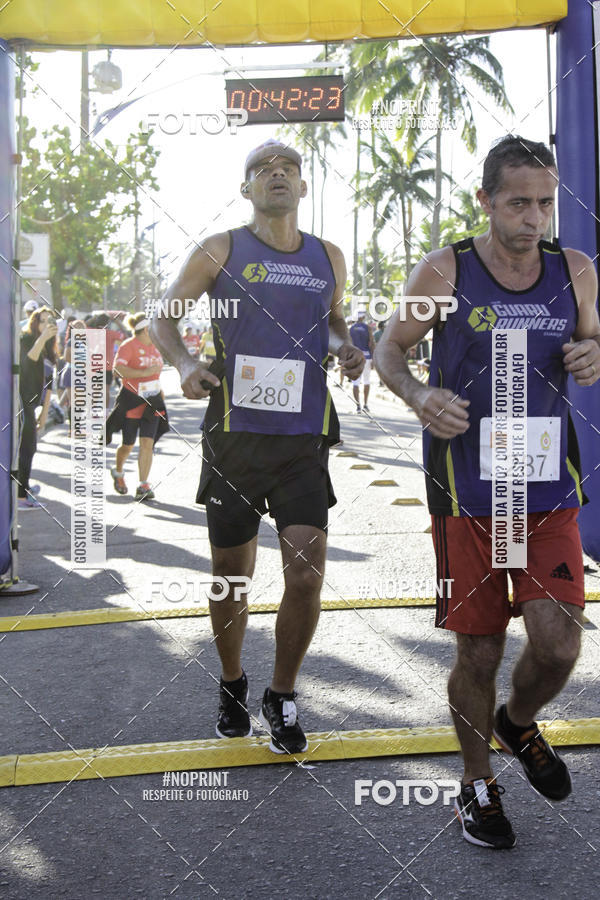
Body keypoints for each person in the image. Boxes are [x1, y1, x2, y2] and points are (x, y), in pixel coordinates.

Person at [375, 135, 600, 849]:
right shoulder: (445, 270)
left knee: (560, 646)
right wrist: (417, 392)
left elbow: (592, 341)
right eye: (517, 203)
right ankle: (477, 783)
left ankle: (517, 721)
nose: (533, 217)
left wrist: (592, 353)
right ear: (485, 201)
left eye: (544, 202)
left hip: (544, 490)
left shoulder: (577, 270)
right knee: (477, 651)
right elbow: (388, 346)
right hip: (468, 492)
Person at [151, 138, 363, 755]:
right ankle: (232, 681)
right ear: (246, 189)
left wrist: (344, 347)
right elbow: (164, 317)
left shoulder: (329, 255)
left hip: (303, 435)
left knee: (305, 571)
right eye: (263, 170)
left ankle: (283, 693)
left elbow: (331, 318)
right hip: (235, 435)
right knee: (231, 576)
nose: (278, 175)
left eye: (289, 169)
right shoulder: (220, 249)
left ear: (302, 188)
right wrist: (185, 363)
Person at [107, 312, 168, 501]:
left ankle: (143, 485)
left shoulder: (157, 348)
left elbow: (155, 376)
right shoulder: (129, 346)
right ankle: (118, 472)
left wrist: (161, 394)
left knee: (147, 443)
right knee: (128, 444)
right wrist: (143, 372)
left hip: (153, 402)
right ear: (146, 329)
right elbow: (118, 370)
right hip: (132, 402)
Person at [18, 306, 58, 508]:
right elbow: (26, 362)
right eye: (42, 321)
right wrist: (41, 338)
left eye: (49, 322)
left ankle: (23, 487)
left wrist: (44, 412)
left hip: (33, 403)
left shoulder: (49, 348)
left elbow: (49, 382)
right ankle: (20, 495)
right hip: (20, 400)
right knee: (25, 447)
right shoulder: (26, 340)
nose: (46, 325)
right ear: (34, 322)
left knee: (31, 446)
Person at [350, 310, 374, 412]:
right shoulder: (367, 328)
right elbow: (372, 343)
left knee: (355, 382)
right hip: (367, 357)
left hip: (355, 358)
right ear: (363, 317)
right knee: (367, 381)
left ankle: (358, 406)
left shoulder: (351, 329)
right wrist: (373, 358)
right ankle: (366, 404)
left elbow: (348, 344)